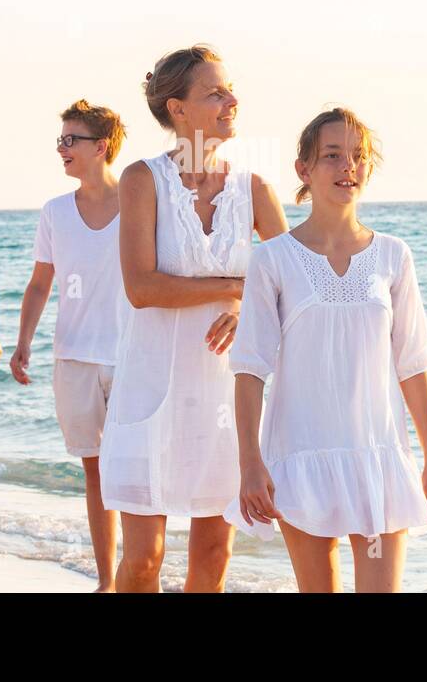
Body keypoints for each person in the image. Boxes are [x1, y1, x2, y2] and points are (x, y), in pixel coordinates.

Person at [224, 107, 427, 592]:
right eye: (332, 155)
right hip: (300, 456)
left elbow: (413, 365)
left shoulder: (393, 255)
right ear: (304, 169)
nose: (348, 166)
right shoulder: (273, 259)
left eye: (358, 156)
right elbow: (249, 370)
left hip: (378, 456)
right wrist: (250, 463)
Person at [99, 45, 288, 592]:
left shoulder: (254, 189)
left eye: (231, 91)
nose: (231, 101)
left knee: (213, 554)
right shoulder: (142, 180)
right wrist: (236, 288)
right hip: (150, 389)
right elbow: (142, 288)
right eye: (215, 93)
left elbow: (294, 286)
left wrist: (248, 307)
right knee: (144, 559)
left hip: (224, 400)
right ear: (177, 108)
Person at [10, 99, 128, 592]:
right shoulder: (55, 212)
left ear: (101, 147)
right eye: (60, 140)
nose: (61, 148)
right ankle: (106, 581)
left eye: (70, 140)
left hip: (133, 360)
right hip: (75, 358)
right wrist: (23, 342)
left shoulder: (142, 204)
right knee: (96, 474)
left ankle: (138, 575)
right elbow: (40, 283)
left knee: (137, 474)